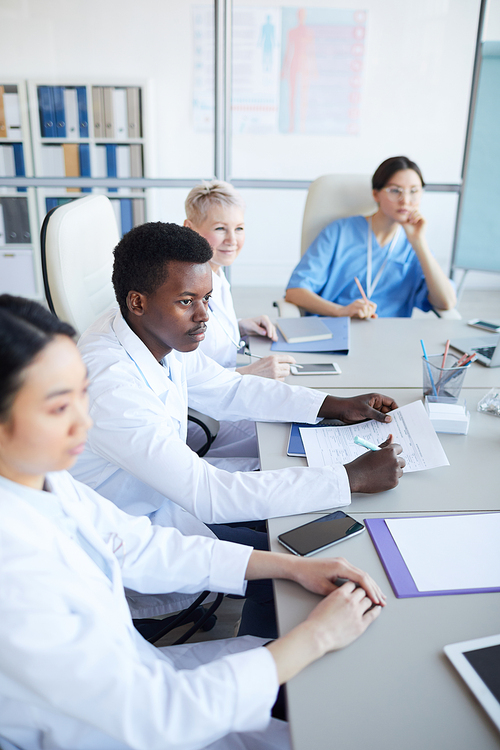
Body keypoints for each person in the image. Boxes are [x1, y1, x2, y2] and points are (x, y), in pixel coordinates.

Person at [0, 294, 386, 750]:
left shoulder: (40, 479)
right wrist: (314, 637)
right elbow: (160, 718)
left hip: (148, 677)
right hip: (138, 727)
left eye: (82, 396)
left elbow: (138, 544)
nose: (85, 421)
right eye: (59, 408)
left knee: (336, 679)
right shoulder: (14, 577)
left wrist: (291, 566)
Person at [71, 223, 404, 629]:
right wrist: (348, 478)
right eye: (187, 301)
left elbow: (226, 388)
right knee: (294, 575)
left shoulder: (148, 329)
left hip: (170, 496)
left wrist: (332, 404)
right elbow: (209, 495)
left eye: (207, 298)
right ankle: (274, 671)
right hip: (137, 535)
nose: (204, 315)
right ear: (138, 301)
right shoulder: (109, 385)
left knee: (299, 524)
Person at [285, 156, 457, 319]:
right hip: (335, 328)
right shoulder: (340, 232)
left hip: (389, 338)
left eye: (414, 191)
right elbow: (295, 291)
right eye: (395, 190)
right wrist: (341, 311)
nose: (405, 200)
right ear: (376, 194)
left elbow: (446, 302)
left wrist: (419, 243)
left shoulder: (414, 245)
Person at [184, 180, 296, 381]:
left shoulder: (215, 272)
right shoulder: (184, 290)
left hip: (228, 391)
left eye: (239, 228)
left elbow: (208, 337)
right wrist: (247, 373)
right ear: (190, 228)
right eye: (220, 228)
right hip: (203, 405)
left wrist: (239, 327)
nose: (232, 240)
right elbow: (182, 377)